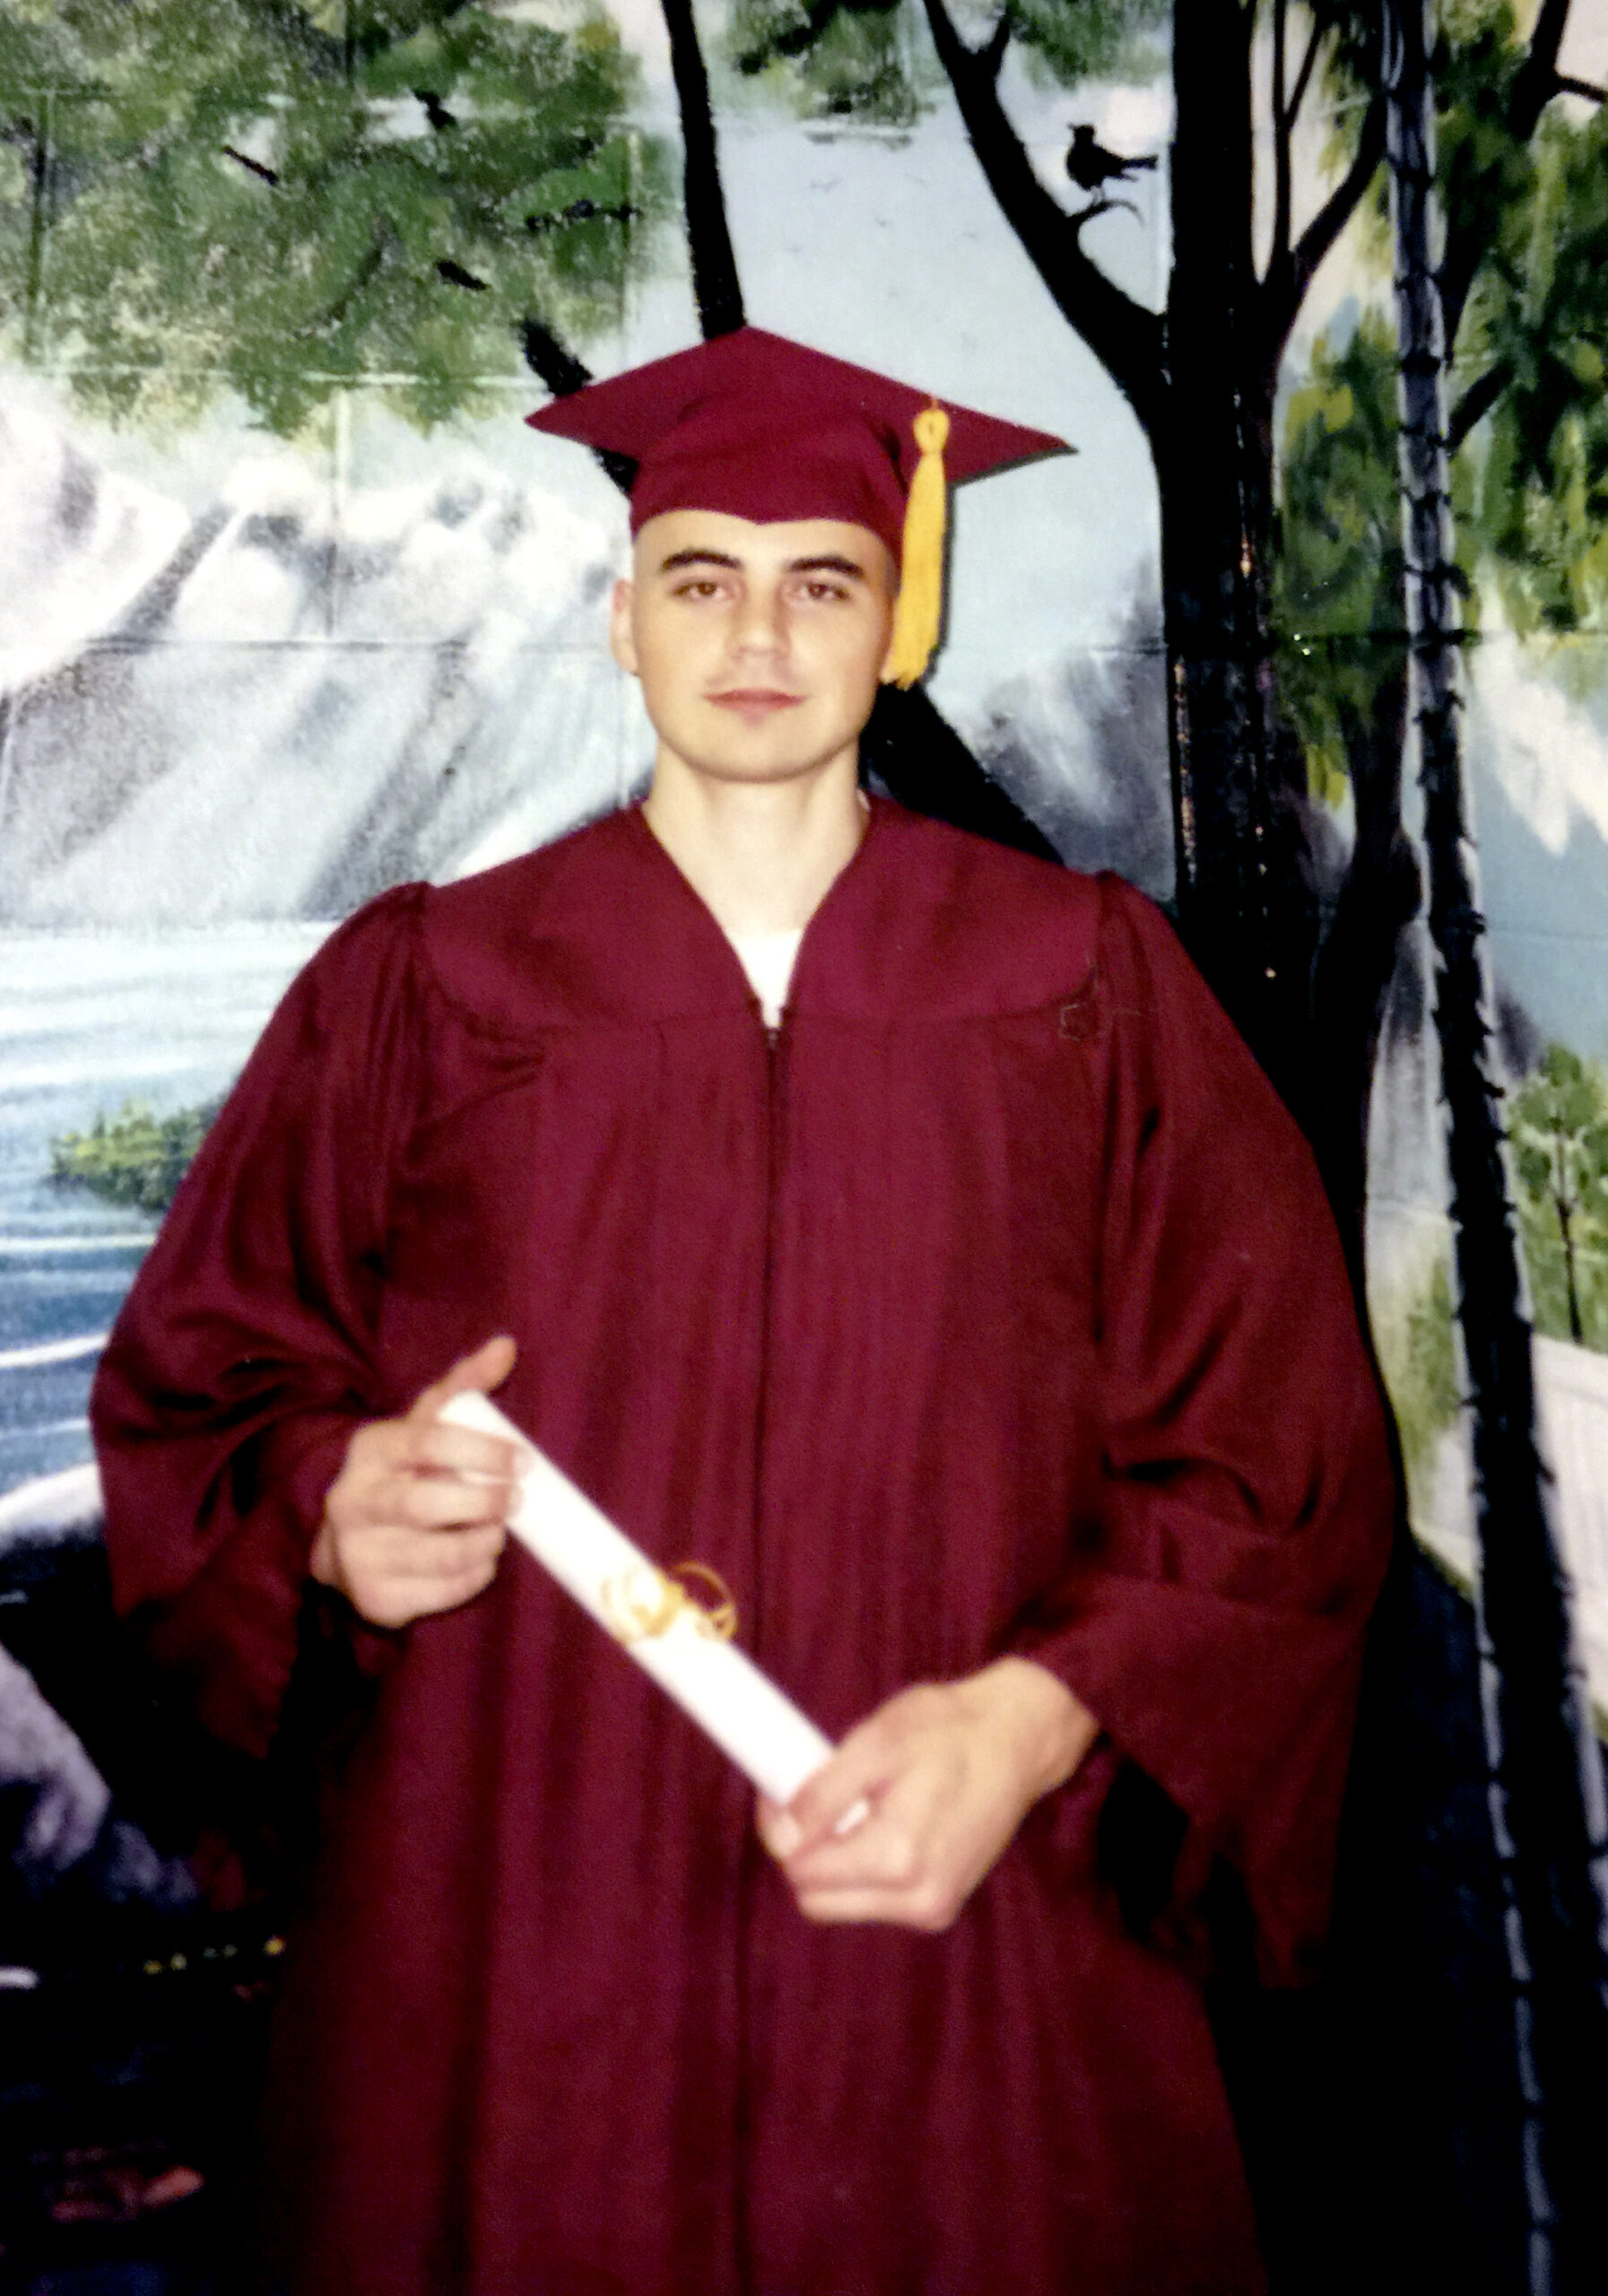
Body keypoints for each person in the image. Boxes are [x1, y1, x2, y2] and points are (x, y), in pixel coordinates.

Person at [93, 327, 1395, 2296]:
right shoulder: (431, 988)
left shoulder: (1087, 989)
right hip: (516, 1936)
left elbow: (1274, 1456)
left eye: (825, 583)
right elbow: (205, 1398)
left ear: (898, 625)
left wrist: (1037, 1718)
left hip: (971, 1916)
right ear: (625, 618)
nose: (759, 633)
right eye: (700, 577)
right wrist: (331, 1515)